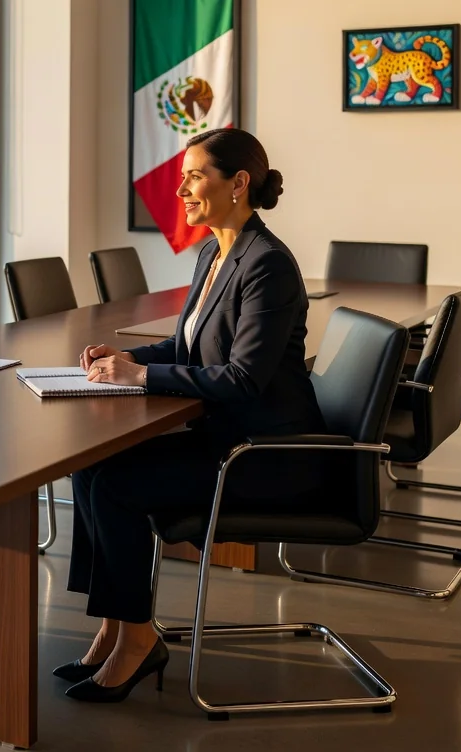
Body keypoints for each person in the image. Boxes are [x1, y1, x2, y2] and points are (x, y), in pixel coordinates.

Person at [57, 127, 325, 703]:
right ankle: (116, 624)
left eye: (195, 175)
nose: (182, 188)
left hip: (264, 455)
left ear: (239, 183)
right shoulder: (213, 251)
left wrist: (141, 377)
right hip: (224, 438)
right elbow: (188, 346)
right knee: (92, 465)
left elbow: (242, 377)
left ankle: (137, 641)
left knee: (116, 487)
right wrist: (130, 357)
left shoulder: (268, 265)